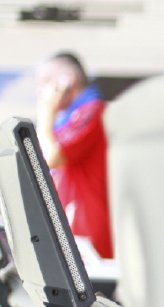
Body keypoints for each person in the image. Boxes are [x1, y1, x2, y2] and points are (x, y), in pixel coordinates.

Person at [35, 51, 112, 259]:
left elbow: (50, 158)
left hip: (89, 234)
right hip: (74, 229)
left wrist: (46, 112)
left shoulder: (92, 111)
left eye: (45, 82)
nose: (40, 91)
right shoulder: (68, 120)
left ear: (66, 81)